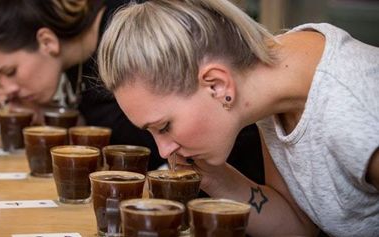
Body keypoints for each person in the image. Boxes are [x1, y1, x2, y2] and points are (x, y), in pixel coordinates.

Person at [96, 0, 379, 236]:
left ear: (217, 85)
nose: (164, 150)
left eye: (164, 127)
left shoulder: (356, 112)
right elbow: (299, 226)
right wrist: (216, 179)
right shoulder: (270, 90)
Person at [0, 0, 266, 179]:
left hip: (241, 175)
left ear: (46, 41)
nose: (6, 90)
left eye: (9, 72)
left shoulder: (124, 35)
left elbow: (145, 150)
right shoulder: (74, 61)